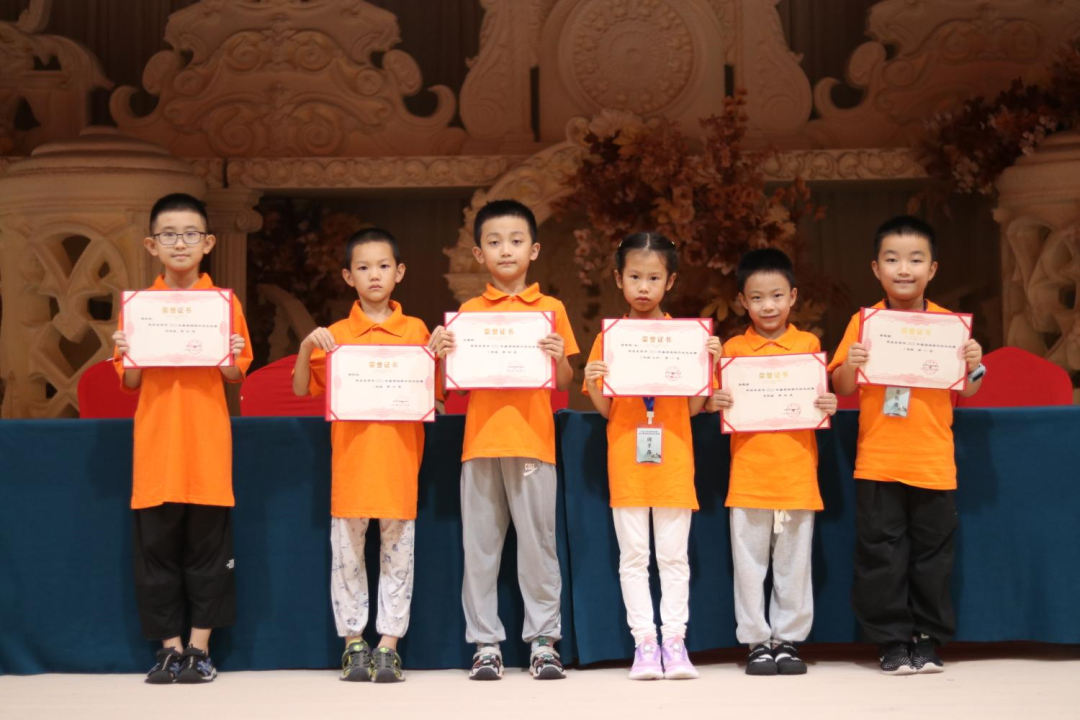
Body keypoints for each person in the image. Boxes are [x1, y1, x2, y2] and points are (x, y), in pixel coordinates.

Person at [428, 199, 578, 680]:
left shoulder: (551, 309)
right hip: (480, 444)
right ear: (479, 254)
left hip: (534, 443)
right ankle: (486, 644)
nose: (506, 250)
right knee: (481, 548)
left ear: (534, 249)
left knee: (538, 546)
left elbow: (565, 381)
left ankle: (543, 642)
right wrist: (440, 355)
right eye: (494, 242)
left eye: (516, 241)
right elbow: (450, 390)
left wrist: (558, 355)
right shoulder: (468, 314)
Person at [829, 216, 984, 675]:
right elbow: (841, 387)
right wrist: (852, 362)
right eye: (892, 259)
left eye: (915, 260)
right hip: (878, 460)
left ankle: (928, 638)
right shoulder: (863, 323)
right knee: (881, 555)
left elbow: (969, 387)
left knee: (933, 558)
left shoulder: (949, 325)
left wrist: (975, 363)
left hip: (933, 460)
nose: (903, 269)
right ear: (875, 268)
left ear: (932, 269)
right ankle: (892, 641)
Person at [111, 193, 252, 684]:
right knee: (156, 557)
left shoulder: (223, 304)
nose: (179, 243)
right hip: (156, 448)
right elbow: (130, 381)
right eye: (168, 234)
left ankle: (199, 650)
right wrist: (126, 349)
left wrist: (231, 352)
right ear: (151, 244)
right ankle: (168, 650)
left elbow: (235, 374)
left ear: (208, 243)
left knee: (208, 556)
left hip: (207, 447)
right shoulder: (140, 308)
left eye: (190, 234)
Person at [293, 228, 433, 683]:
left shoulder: (416, 331)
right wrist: (306, 347)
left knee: (399, 558)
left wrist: (440, 356)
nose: (375, 275)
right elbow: (301, 387)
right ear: (347, 276)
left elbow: (435, 395)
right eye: (363, 267)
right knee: (348, 559)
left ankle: (388, 646)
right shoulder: (335, 335)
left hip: (399, 463)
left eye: (383, 266)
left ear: (400, 272)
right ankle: (354, 643)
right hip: (351, 466)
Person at [583, 232, 719, 680]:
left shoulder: (687, 338)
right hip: (627, 460)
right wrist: (594, 379)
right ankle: (645, 643)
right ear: (618, 279)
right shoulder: (610, 338)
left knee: (674, 558)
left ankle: (675, 643)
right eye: (635, 277)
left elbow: (694, 408)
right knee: (634, 558)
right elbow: (607, 411)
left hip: (674, 460)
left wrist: (707, 364)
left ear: (670, 281)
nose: (644, 287)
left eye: (654, 278)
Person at [707, 248, 837, 676]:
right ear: (742, 301)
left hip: (797, 474)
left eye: (777, 295)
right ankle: (757, 642)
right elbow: (713, 401)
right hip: (749, 475)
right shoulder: (732, 350)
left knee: (793, 565)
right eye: (757, 297)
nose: (768, 306)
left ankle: (788, 640)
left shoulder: (808, 346)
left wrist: (827, 403)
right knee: (749, 565)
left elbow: (819, 400)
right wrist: (714, 400)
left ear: (793, 296)